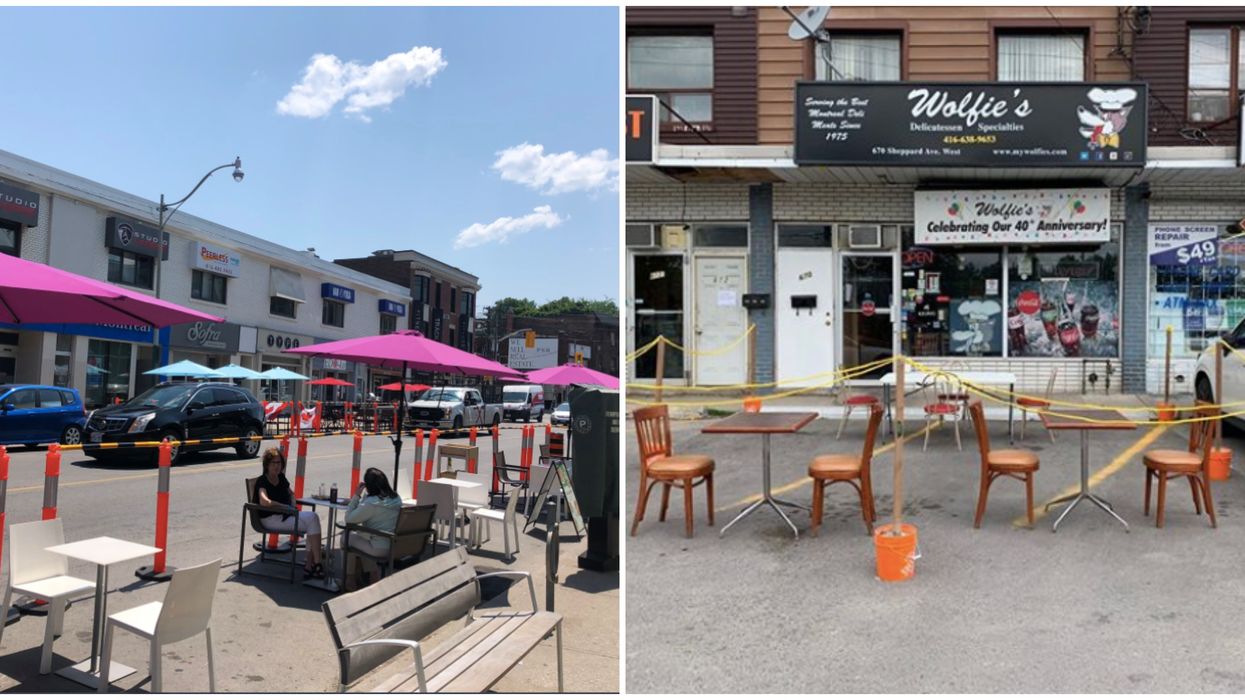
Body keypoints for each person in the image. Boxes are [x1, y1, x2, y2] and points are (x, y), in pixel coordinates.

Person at [254, 448, 325, 578]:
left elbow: (291, 493)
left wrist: (292, 503)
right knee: (313, 521)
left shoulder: (281, 477)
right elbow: (264, 501)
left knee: (313, 519)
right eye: (273, 463)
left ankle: (312, 564)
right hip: (270, 519)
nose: (277, 466)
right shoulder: (262, 480)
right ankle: (314, 564)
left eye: (279, 463)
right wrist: (283, 506)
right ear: (267, 465)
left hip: (284, 515)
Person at [343, 467, 403, 590]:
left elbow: (349, 519)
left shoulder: (372, 503)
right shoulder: (396, 498)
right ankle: (373, 576)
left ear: (369, 486)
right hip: (394, 545)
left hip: (378, 547)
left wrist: (356, 496)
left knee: (346, 537)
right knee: (363, 537)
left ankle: (350, 580)